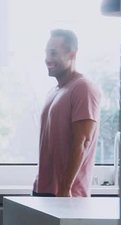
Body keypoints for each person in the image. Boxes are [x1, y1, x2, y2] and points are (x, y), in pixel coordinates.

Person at [33, 29, 102, 197]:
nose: (47, 59)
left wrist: (65, 189)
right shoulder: (53, 92)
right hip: (45, 190)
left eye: (53, 53)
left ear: (72, 54)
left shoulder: (83, 88)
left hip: (67, 195)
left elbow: (83, 141)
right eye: (46, 53)